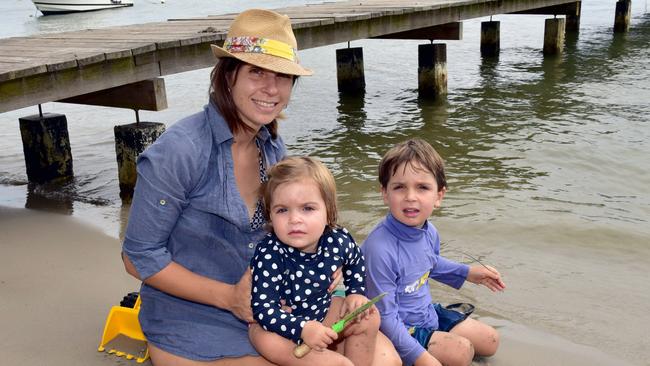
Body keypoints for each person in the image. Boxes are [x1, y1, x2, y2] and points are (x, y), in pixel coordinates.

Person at [120, 8, 400, 366]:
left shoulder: (272, 149)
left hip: (277, 309)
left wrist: (330, 265)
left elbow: (290, 232)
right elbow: (137, 256)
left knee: (384, 355)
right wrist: (230, 298)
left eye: (282, 76)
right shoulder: (180, 152)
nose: (272, 88)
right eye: (257, 72)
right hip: (194, 320)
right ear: (228, 77)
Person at [362, 138, 507, 366]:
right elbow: (385, 318)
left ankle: (437, 339)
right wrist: (421, 358)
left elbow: (429, 263)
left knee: (490, 340)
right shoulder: (379, 249)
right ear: (385, 193)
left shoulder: (429, 231)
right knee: (461, 352)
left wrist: (468, 272)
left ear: (439, 195)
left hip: (427, 313)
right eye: (399, 187)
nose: (411, 196)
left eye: (422, 187)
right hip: (399, 326)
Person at [249, 156, 379, 366]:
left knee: (368, 317)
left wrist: (355, 291)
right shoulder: (269, 253)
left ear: (329, 212)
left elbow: (355, 260)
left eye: (307, 208)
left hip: (320, 312)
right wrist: (302, 328)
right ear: (270, 216)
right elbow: (264, 310)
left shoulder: (337, 240)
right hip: (275, 329)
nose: (295, 219)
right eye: (282, 210)